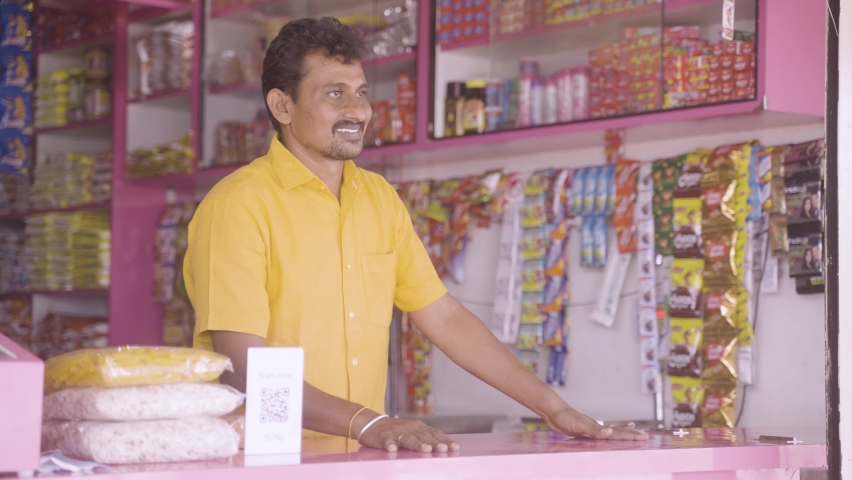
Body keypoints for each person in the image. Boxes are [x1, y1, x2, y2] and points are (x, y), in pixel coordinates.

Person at [184, 17, 646, 454]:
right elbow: (244, 367)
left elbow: (443, 318)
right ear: (283, 106)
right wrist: (372, 423)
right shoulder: (237, 206)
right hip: (262, 462)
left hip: (355, 460)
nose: (357, 110)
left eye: (362, 92)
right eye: (334, 93)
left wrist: (556, 410)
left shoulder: (379, 198)